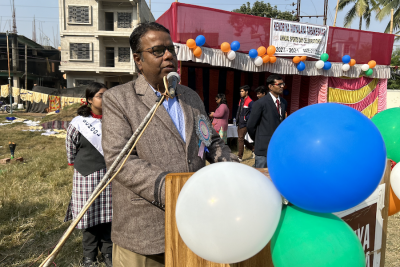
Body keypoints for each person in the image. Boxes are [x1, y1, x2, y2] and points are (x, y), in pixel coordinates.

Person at [101, 22, 238, 267]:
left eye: (170, 50)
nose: (168, 56)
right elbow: (119, 160)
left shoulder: (190, 97)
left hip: (195, 224)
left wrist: (233, 168)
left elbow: (211, 141)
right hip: (145, 233)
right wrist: (176, 191)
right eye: (157, 51)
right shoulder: (119, 99)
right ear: (138, 60)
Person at [65, 82, 113, 267]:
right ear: (90, 100)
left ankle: (108, 253)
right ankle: (89, 256)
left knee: (109, 217)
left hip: (110, 174)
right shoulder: (78, 123)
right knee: (89, 217)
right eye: (101, 96)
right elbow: (71, 147)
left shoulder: (114, 119)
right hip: (87, 175)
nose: (105, 99)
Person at [247, 74, 287, 168]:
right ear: (270, 86)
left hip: (278, 147)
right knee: (262, 177)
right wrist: (259, 139)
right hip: (263, 148)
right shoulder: (260, 103)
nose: (282, 86)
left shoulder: (284, 102)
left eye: (283, 84)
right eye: (279, 84)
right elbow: (251, 126)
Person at [235, 85, 254, 162]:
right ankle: (253, 149)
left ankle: (239, 157)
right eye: (240, 91)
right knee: (241, 139)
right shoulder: (241, 100)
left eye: (242, 91)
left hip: (245, 123)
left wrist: (245, 118)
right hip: (239, 122)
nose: (241, 93)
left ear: (247, 92)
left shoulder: (250, 102)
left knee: (240, 139)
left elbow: (253, 113)